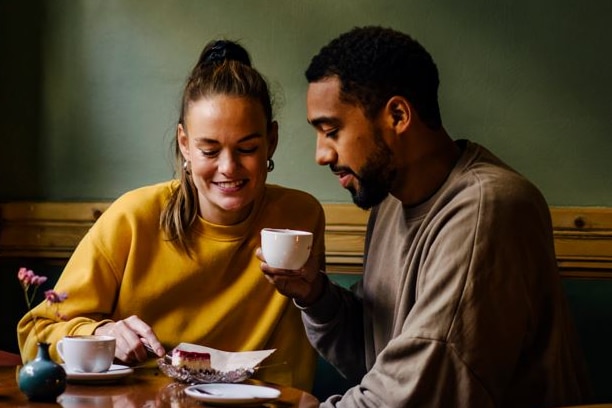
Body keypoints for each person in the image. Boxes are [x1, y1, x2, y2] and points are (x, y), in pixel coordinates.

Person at [259, 26, 591, 406]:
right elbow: (379, 358)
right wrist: (315, 295)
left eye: (332, 131)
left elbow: (410, 395)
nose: (321, 154)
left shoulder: (489, 209)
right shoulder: (388, 199)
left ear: (398, 115)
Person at [17, 39, 325, 391]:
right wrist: (99, 332)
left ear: (271, 140)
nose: (228, 167)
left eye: (248, 148)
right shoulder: (132, 219)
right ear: (184, 144)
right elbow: (36, 332)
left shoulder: (300, 217)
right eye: (209, 149)